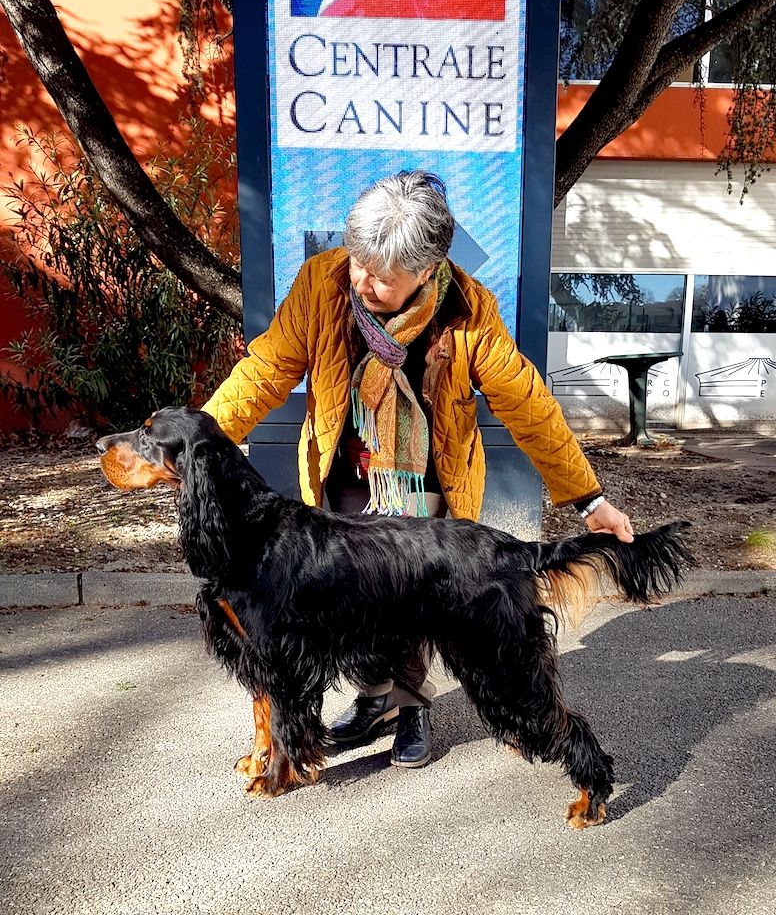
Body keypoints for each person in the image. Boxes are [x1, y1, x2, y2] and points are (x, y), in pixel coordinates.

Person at [202, 170, 634, 769]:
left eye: (383, 276)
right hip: (343, 467)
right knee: (355, 599)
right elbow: (264, 370)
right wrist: (200, 439)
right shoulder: (321, 283)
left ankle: (411, 706)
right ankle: (376, 697)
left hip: (427, 476)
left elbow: (527, 404)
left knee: (417, 592)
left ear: (427, 271)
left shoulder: (468, 310)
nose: (363, 281)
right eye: (359, 263)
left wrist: (589, 500)